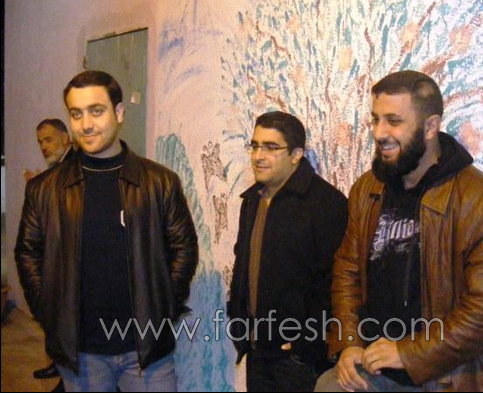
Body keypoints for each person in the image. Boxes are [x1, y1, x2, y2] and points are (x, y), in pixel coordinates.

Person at [315, 70, 483, 392]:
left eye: (394, 121)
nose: (379, 133)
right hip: (372, 371)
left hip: (448, 377)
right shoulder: (367, 189)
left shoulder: (482, 201)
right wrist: (349, 343)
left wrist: (408, 352)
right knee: (328, 386)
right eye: (375, 119)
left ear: (430, 127)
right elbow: (347, 272)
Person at [15, 70, 199, 392]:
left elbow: (183, 249)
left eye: (96, 111)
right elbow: (28, 254)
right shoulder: (45, 189)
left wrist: (162, 307)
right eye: (76, 114)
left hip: (147, 353)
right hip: (82, 356)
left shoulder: (159, 182)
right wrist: (49, 313)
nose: (86, 124)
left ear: (119, 112)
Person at [227, 111, 348, 392]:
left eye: (271, 147)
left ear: (296, 154)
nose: (258, 156)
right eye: (255, 146)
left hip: (299, 359)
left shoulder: (325, 203)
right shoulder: (253, 199)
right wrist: (238, 322)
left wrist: (308, 342)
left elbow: (336, 282)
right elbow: (244, 266)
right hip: (257, 350)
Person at [26, 119, 74, 390]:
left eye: (48, 139)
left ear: (65, 138)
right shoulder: (57, 170)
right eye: (40, 142)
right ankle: (61, 368)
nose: (43, 146)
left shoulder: (72, 168)